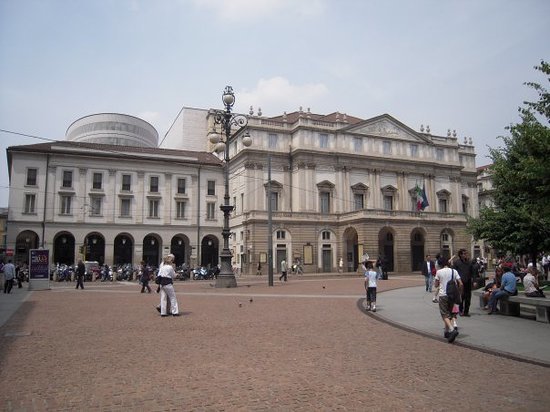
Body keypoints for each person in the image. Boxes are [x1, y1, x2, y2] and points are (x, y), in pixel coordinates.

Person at [434, 256, 463, 343]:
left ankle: (451, 329)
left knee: (444, 314)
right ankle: (446, 332)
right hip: (452, 295)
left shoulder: (439, 272)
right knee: (450, 313)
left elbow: (436, 285)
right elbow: (461, 284)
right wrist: (459, 293)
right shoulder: (454, 271)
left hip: (443, 295)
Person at [452, 248, 477, 317]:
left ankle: (466, 311)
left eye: (466, 253)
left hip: (468, 282)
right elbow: (454, 272)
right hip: (460, 283)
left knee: (468, 297)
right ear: (461, 255)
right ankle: (460, 310)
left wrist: (474, 281)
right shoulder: (456, 262)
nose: (466, 255)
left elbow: (473, 272)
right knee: (461, 297)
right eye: (464, 253)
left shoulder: (470, 262)